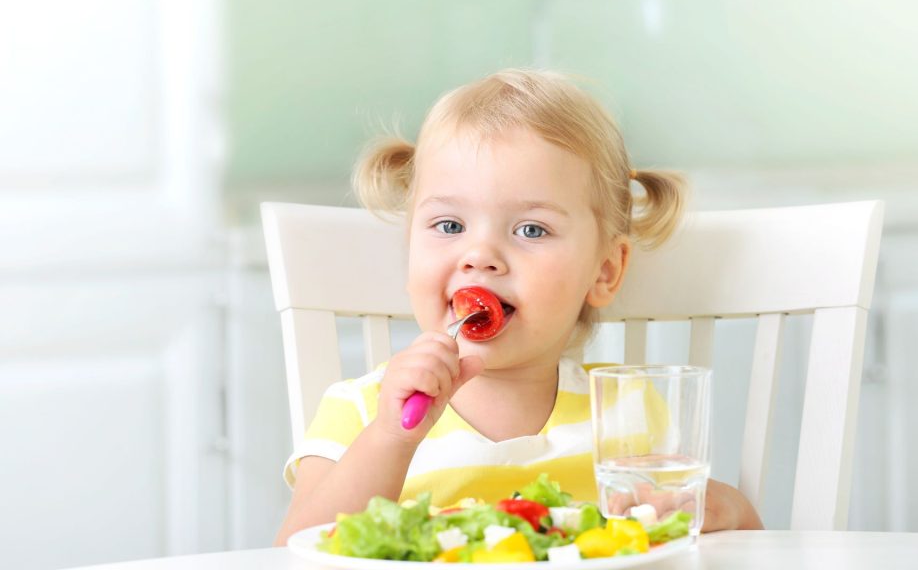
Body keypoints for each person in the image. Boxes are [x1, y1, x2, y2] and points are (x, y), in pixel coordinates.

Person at [273, 69, 762, 545]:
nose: (479, 255)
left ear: (604, 271)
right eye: (448, 226)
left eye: (531, 230)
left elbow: (700, 548)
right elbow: (294, 551)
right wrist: (390, 439)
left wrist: (731, 510)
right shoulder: (361, 409)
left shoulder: (627, 411)